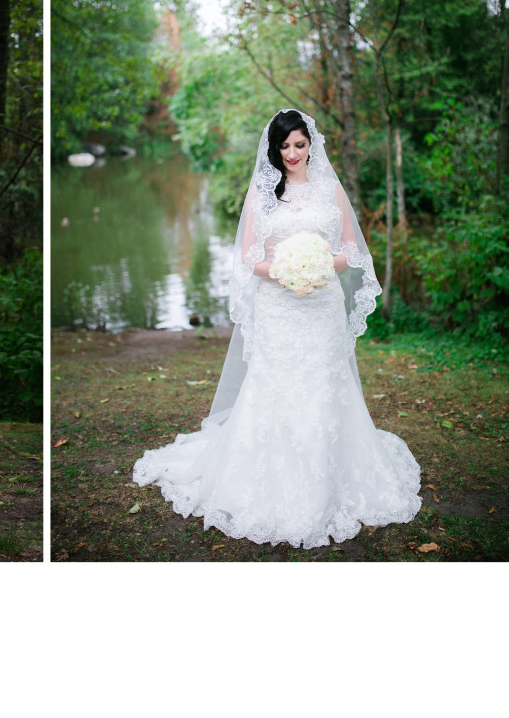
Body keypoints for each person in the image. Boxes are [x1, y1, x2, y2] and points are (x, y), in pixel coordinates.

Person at [133, 109, 421, 548]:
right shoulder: (263, 196)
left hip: (321, 304)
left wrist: (321, 267)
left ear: (311, 146)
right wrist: (287, 271)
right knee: (276, 385)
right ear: (274, 149)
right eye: (284, 146)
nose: (292, 153)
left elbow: (350, 250)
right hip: (278, 308)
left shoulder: (331, 190)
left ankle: (332, 480)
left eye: (299, 145)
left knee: (325, 382)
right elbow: (250, 259)